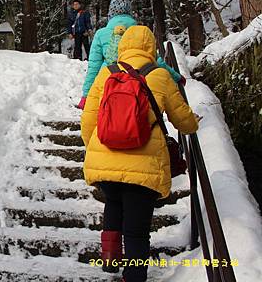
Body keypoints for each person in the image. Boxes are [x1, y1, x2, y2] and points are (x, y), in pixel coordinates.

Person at [80, 26, 199, 282]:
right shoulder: (160, 76)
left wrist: (94, 147)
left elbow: (88, 119)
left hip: (105, 159)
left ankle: (110, 258)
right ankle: (133, 276)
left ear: (123, 46)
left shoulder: (106, 72)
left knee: (113, 202)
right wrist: (194, 123)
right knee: (136, 230)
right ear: (151, 48)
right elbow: (183, 120)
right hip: (144, 166)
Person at [77, 0, 184, 109]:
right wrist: (176, 77)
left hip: (108, 85)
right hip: (139, 87)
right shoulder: (141, 33)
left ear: (110, 14)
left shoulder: (101, 34)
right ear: (130, 13)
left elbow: (94, 67)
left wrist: (86, 95)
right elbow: (157, 61)